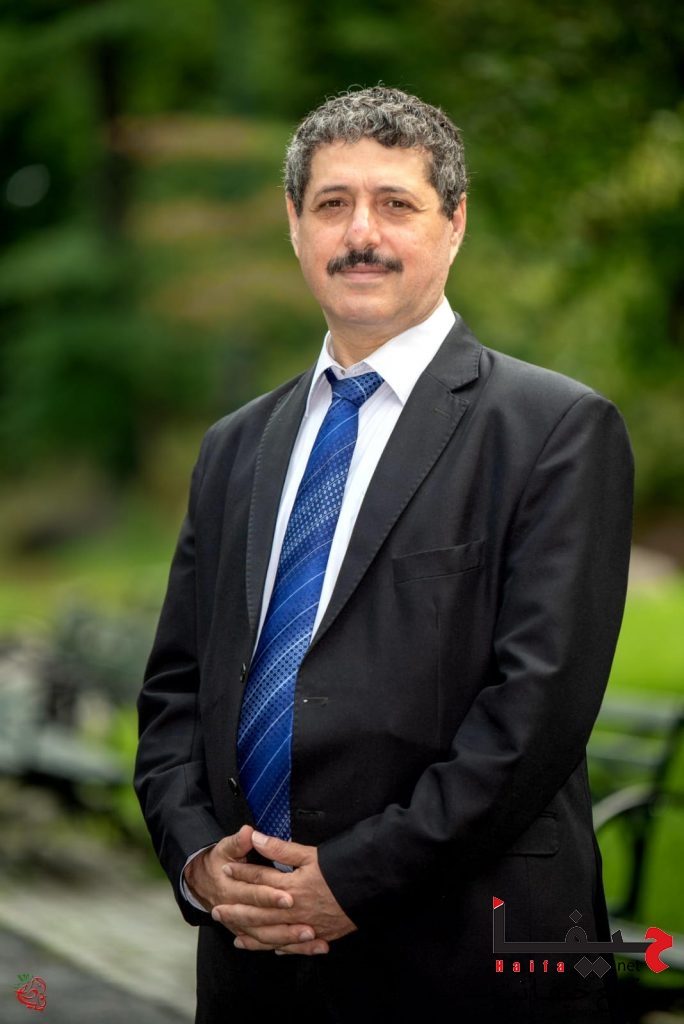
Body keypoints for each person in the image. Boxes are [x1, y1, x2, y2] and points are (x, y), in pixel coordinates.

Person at [135, 86, 633, 1023]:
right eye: (333, 204)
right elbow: (174, 693)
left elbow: (535, 717)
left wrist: (351, 880)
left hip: (467, 961)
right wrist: (199, 860)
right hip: (252, 969)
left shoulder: (555, 431)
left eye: (396, 203)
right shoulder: (234, 447)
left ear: (455, 223)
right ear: (294, 224)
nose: (361, 233)